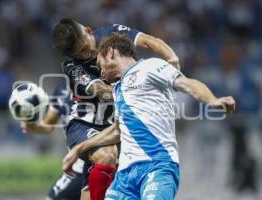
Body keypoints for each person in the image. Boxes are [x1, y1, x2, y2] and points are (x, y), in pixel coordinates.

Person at [62, 34, 236, 200]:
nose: (100, 72)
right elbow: (117, 130)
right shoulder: (117, 89)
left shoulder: (151, 66)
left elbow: (187, 83)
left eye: (100, 65)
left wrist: (212, 100)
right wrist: (79, 149)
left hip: (157, 166)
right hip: (125, 176)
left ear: (111, 53)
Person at [51, 18, 181, 200]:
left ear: (88, 31)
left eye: (85, 47)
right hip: (86, 124)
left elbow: (149, 41)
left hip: (118, 125)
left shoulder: (112, 33)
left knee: (98, 186)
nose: (87, 54)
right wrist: (138, 92)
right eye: (80, 53)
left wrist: (171, 58)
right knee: (107, 155)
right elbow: (102, 91)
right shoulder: (71, 65)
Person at [21, 83, 85, 200]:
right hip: (77, 166)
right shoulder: (61, 92)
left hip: (95, 162)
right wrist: (32, 125)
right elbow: (48, 125)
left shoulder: (96, 90)